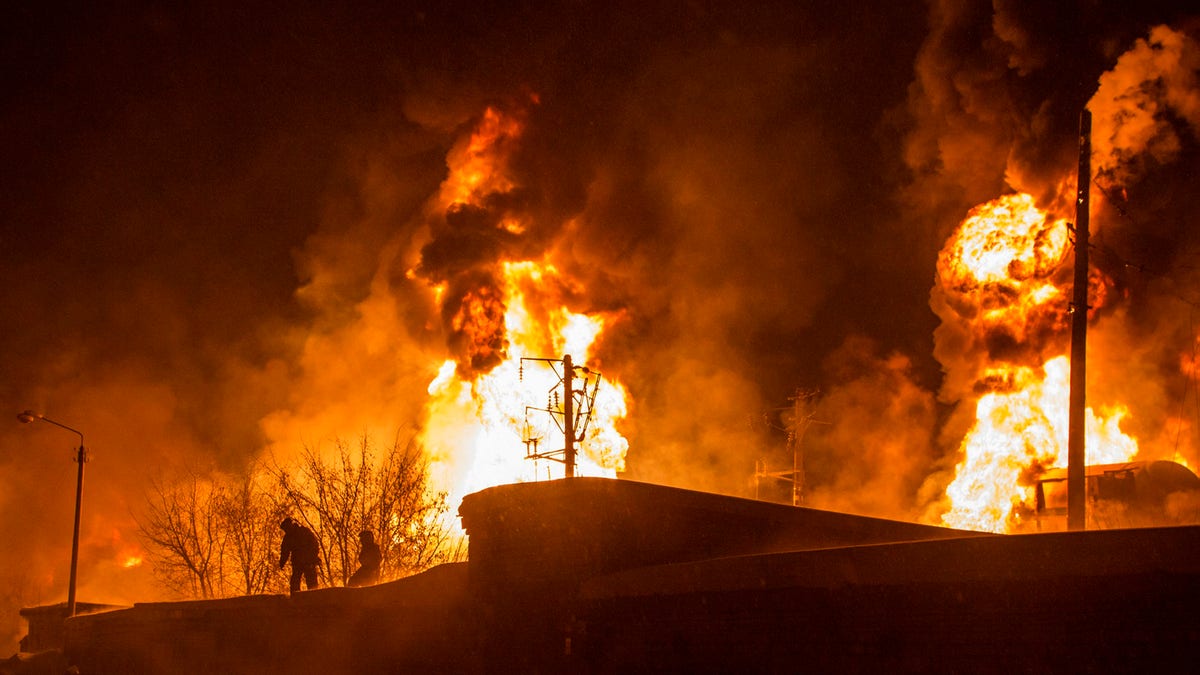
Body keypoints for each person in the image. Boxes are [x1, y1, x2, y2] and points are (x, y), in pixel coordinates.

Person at [279, 517, 320, 593]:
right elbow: (285, 551)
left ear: (290, 525)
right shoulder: (288, 537)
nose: (286, 531)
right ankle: (295, 599)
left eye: (286, 529)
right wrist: (282, 562)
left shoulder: (304, 532)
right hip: (297, 562)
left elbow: (314, 544)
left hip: (308, 561)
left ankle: (314, 598)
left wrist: (313, 556)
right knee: (295, 582)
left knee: (312, 583)